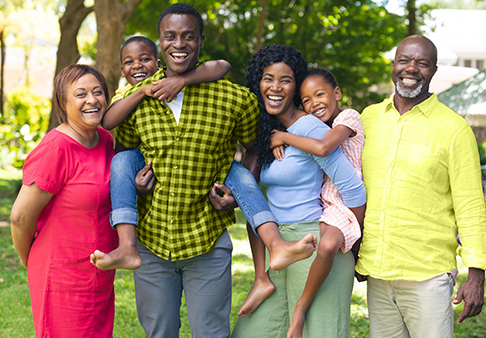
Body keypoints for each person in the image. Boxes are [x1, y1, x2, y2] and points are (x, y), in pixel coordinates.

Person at [112, 4, 269, 337]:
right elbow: (125, 152)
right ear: (160, 42)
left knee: (210, 332)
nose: (179, 44)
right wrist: (135, 187)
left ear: (200, 40)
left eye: (188, 36)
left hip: (207, 242)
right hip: (151, 243)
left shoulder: (234, 98)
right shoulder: (139, 98)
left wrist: (239, 193)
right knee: (160, 332)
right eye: (170, 37)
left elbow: (255, 146)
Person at [356, 35, 486, 338]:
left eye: (422, 63)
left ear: (433, 70)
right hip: (377, 271)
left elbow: (470, 203)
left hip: (428, 275)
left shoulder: (453, 128)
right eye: (405, 60)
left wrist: (477, 275)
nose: (411, 69)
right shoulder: (367, 119)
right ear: (393, 65)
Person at [230, 44, 366, 338]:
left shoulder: (310, 128)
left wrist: (355, 246)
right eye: (268, 78)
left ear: (295, 88)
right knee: (251, 333)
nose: (275, 87)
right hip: (278, 247)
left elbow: (353, 190)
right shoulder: (270, 132)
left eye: (286, 80)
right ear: (258, 83)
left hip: (314, 245)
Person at [89, 35, 237, 271]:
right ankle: (126, 245)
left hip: (187, 164)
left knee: (240, 175)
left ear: (159, 65)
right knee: (120, 161)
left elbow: (223, 66)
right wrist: (140, 92)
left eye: (144, 59)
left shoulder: (181, 87)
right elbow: (107, 121)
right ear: (122, 70)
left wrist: (182, 81)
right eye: (129, 62)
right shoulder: (125, 93)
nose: (136, 65)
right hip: (141, 159)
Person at [10, 64, 118, 337]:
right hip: (61, 277)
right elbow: (20, 217)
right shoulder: (55, 148)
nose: (92, 100)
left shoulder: (104, 140)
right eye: (80, 94)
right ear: (63, 102)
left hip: (98, 272)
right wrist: (29, 258)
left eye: (98, 92)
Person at [266, 68, 365, 338]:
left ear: (337, 93)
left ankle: (301, 309)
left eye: (320, 95)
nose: (313, 104)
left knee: (329, 244)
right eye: (306, 100)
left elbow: (323, 148)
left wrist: (285, 137)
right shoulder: (320, 126)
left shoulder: (348, 117)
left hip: (343, 202)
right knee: (328, 245)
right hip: (328, 200)